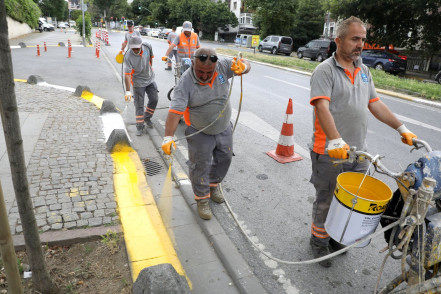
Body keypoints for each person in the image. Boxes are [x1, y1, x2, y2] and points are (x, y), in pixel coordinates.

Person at [308, 16, 417, 267]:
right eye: (355, 39)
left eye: (363, 39)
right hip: (329, 153)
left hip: (358, 153)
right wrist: (335, 140)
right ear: (338, 40)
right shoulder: (324, 70)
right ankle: (318, 240)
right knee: (326, 199)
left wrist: (402, 128)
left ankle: (335, 238)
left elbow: (375, 104)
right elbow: (322, 107)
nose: (361, 44)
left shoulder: (364, 70)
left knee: (349, 201)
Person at [161, 48, 250, 220]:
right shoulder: (185, 83)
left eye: (209, 72)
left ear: (215, 66)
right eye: (200, 71)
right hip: (199, 130)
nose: (204, 75)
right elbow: (174, 112)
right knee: (200, 165)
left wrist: (244, 67)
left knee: (225, 158)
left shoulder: (223, 66)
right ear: (193, 63)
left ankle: (213, 184)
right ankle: (202, 199)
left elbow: (246, 63)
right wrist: (168, 137)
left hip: (224, 127)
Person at [124, 35, 158, 136]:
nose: (135, 50)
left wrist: (150, 69)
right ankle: (139, 126)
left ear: (141, 45)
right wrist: (128, 91)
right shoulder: (128, 56)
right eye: (133, 48)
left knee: (154, 99)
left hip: (150, 78)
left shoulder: (147, 47)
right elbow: (127, 75)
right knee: (139, 104)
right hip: (138, 82)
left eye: (137, 48)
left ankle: (147, 117)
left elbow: (151, 59)